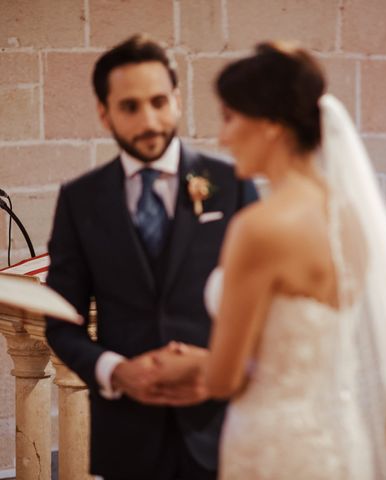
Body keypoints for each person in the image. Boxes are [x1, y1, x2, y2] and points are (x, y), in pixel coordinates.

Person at [150, 41, 386, 479]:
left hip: (274, 444)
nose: (222, 137)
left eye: (230, 117)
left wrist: (188, 364)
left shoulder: (260, 227)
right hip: (338, 440)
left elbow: (226, 379)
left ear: (269, 124)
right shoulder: (350, 221)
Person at [45, 34, 257, 480]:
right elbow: (62, 323)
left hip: (225, 429)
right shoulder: (79, 200)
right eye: (130, 107)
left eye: (159, 101)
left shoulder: (231, 182)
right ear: (104, 113)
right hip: (128, 438)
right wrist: (117, 372)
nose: (149, 120)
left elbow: (268, 307)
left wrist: (217, 366)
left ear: (177, 101)